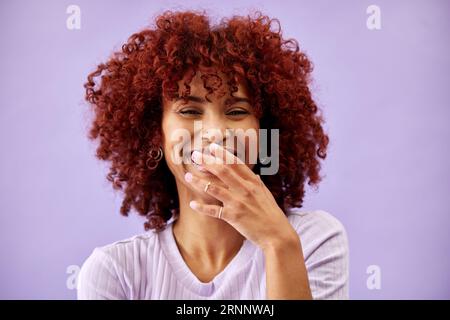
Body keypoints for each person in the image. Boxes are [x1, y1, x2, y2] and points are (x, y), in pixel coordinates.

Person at [77, 10, 349, 300]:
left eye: (236, 112)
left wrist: (278, 244)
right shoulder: (115, 272)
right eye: (190, 111)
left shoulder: (312, 240)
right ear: (155, 134)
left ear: (265, 134)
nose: (216, 132)